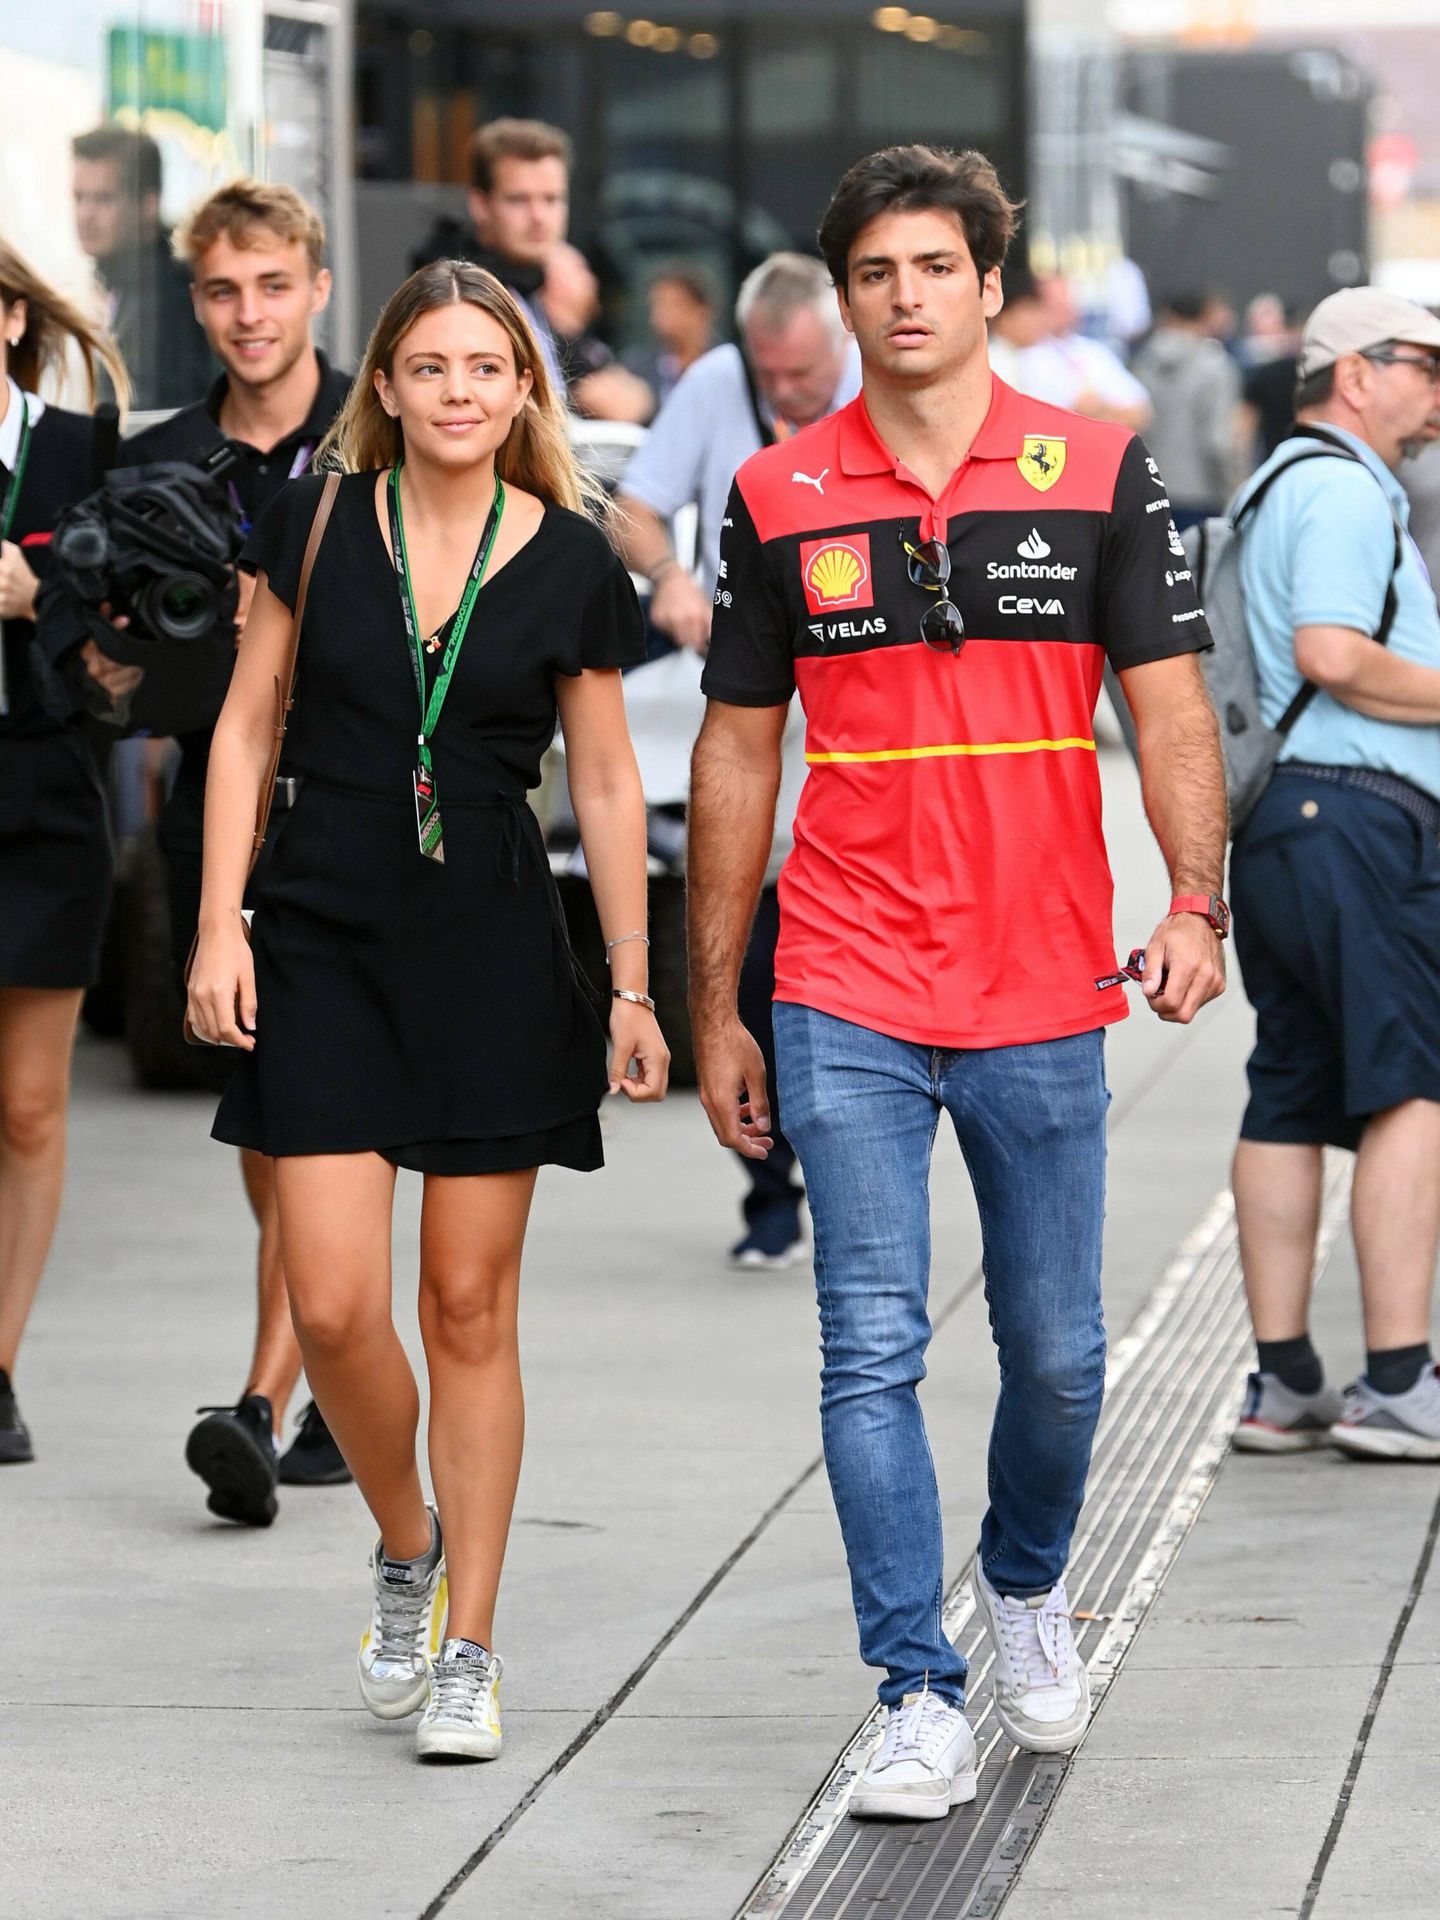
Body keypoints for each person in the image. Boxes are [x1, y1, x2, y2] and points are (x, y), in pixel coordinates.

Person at [688, 143, 1227, 1820]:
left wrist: (1196, 903)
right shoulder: (780, 494)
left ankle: (1021, 1583)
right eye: (875, 272)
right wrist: (713, 1001)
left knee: (1062, 1354)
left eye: (936, 267)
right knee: (869, 1349)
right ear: (840, 298)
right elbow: (731, 755)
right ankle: (914, 1691)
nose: (906, 297)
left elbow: (1172, 708)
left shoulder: (1101, 469)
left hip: (1042, 978)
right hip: (843, 974)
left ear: (988, 285)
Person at [187, 260, 668, 1761]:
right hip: (321, 927)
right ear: (382, 387)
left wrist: (635, 986)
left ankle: (470, 1640)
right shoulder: (315, 524)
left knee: (468, 1305)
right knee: (330, 1301)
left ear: (522, 390)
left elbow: (602, 778)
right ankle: (407, 1538)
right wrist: (218, 923)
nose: (460, 391)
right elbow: (247, 720)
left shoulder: (574, 559)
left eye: (488, 367)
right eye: (432, 366)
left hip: (491, 946)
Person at [118, 179, 355, 1522]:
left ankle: (264, 1399)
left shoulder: (383, 433)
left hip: (352, 817)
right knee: (272, 1138)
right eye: (220, 290)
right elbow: (122, 676)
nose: (248, 314)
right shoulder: (153, 456)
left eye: (271, 285)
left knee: (300, 1114)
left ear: (318, 287)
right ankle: (309, 1373)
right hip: (212, 827)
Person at [1227, 287, 1440, 1462]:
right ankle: (1402, 1380)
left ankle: (1287, 1380)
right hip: (1359, 821)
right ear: (1356, 373)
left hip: (1283, 827)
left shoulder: (1278, 484)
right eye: (1426, 363)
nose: (1438, 389)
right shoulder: (1347, 488)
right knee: (1413, 1083)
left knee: (1292, 1088)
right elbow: (1332, 652)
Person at [615, 252, 861, 1268]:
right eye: (771, 377)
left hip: (863, 703)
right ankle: (773, 1183)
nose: (786, 395)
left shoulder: (882, 381)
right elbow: (632, 504)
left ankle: (844, 1170)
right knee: (754, 935)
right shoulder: (720, 382)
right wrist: (670, 575)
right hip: (756, 692)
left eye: (802, 377)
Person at [0, 241, 130, 1463]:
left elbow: (132, 614)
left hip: (46, 796)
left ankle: (0, 1367)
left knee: (32, 1107)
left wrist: (36, 586)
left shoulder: (84, 452)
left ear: (7, 319)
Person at [411, 118, 648, 422]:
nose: (539, 216)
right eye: (519, 200)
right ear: (481, 205)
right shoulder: (458, 292)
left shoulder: (534, 282)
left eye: (551, 199)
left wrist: (571, 333)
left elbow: (621, 397)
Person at [71, 124, 213, 411]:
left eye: (103, 199)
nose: (86, 215)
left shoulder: (170, 293)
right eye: (79, 197)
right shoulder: (123, 282)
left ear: (148, 205)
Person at [1131, 291, 1243, 530]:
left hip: (1147, 489)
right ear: (1206, 316)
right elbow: (1218, 440)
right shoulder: (1216, 366)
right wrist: (1234, 492)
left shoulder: (1142, 363)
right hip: (1200, 494)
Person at [1013, 273, 1152, 430]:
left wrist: (1098, 411)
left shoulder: (1094, 351)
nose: (1064, 306)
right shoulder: (1024, 355)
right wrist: (1101, 412)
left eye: (1068, 299)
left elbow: (1140, 409)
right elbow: (1050, 419)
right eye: (1055, 302)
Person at [539, 241, 651, 423]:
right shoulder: (545, 343)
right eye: (580, 269)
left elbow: (639, 399)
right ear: (551, 280)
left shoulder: (588, 345)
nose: (592, 280)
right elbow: (617, 407)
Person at [623, 263, 719, 409]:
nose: (663, 314)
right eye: (657, 305)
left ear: (702, 310)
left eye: (675, 305)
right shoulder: (635, 369)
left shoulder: (728, 367)